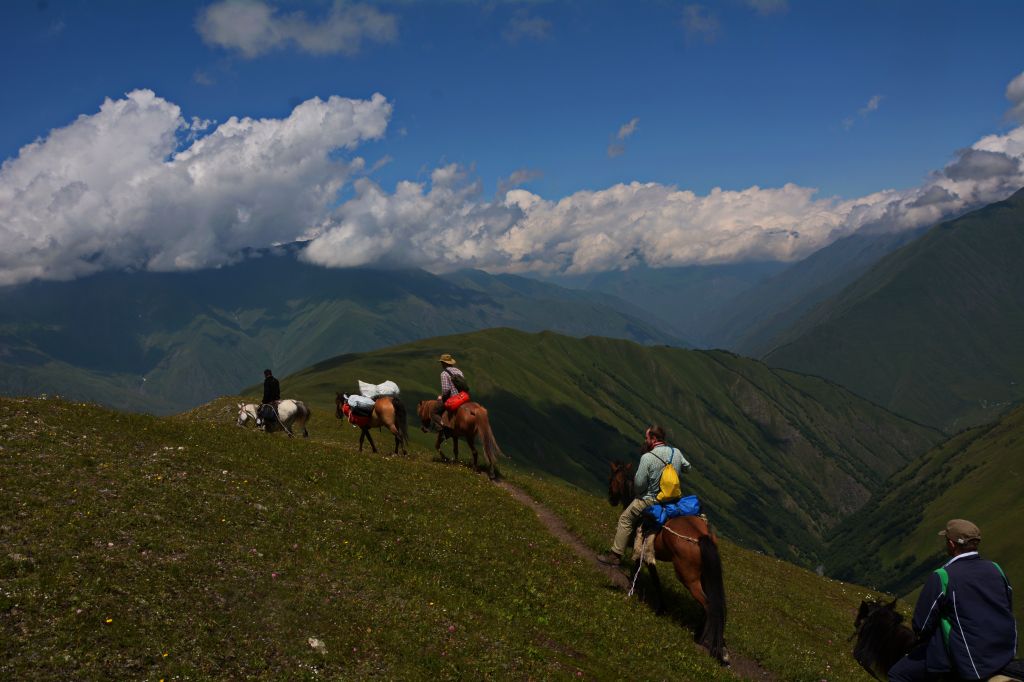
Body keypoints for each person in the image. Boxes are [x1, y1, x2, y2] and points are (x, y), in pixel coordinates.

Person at [888, 519, 1018, 682]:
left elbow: (921, 626)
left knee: (898, 674)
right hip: (1003, 651)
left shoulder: (943, 576)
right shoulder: (996, 569)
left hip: (969, 660)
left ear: (951, 544)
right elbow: (1007, 605)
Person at [597, 425, 690, 566]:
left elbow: (638, 485)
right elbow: (687, 467)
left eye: (646, 438)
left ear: (653, 439)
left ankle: (615, 555)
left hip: (651, 500)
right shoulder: (675, 452)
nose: (645, 440)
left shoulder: (647, 457)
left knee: (625, 519)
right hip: (673, 500)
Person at [432, 353, 468, 430]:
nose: (441, 364)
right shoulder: (459, 371)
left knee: (434, 412)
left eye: (441, 362)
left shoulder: (444, 374)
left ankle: (443, 426)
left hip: (453, 399)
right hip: (463, 397)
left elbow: (446, 390)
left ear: (444, 363)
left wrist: (441, 397)